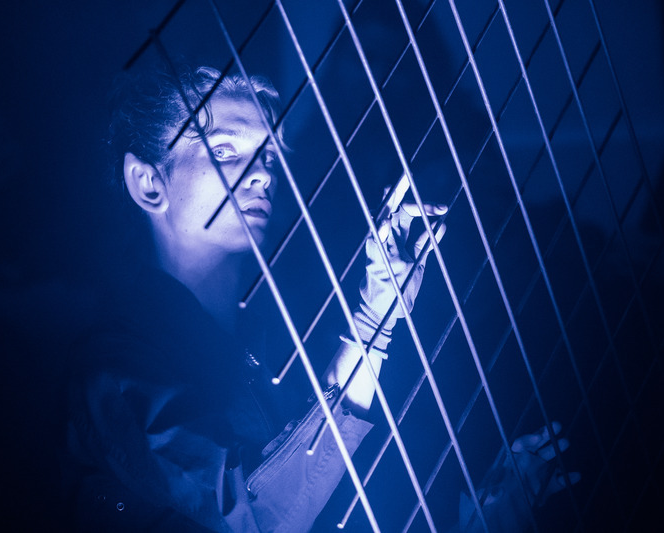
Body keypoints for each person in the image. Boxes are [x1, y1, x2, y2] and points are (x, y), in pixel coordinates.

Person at [62, 65, 446, 532]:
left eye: (268, 156)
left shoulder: (270, 338)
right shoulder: (114, 368)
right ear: (149, 183)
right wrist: (371, 324)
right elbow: (254, 519)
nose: (262, 174)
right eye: (224, 150)